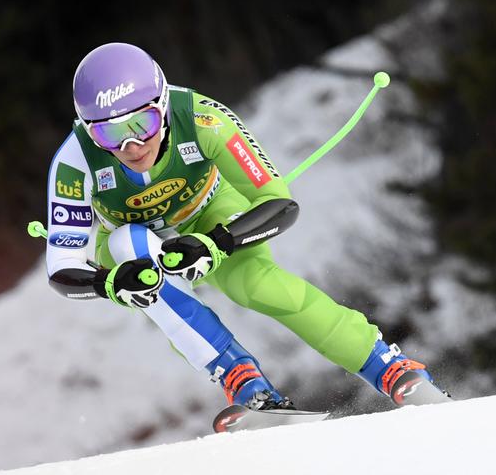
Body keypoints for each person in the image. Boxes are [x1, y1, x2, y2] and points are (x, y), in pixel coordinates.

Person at [46, 42, 444, 412]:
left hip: (208, 214)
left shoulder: (203, 118)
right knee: (128, 247)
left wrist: (215, 243)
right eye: (108, 133)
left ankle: (385, 364)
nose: (132, 146)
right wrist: (108, 284)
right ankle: (242, 380)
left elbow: (279, 204)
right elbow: (62, 266)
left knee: (257, 285)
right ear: (87, 128)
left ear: (163, 105)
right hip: (126, 238)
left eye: (143, 124)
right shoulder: (74, 161)